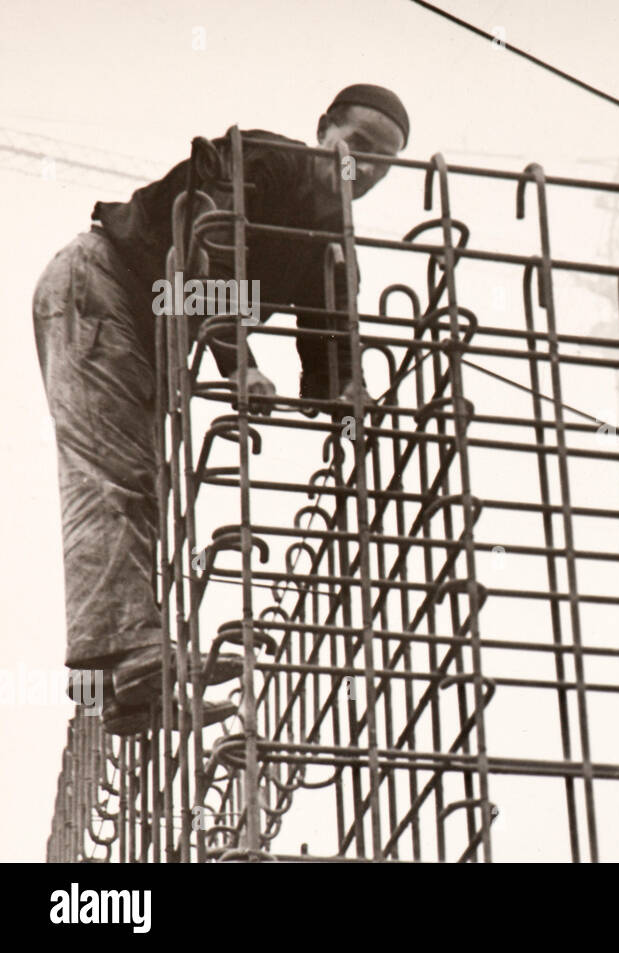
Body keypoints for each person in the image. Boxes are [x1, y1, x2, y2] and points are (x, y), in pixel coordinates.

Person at [33, 84, 408, 734]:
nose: (365, 169)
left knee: (137, 486)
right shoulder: (267, 162)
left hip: (145, 332)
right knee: (111, 477)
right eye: (360, 146)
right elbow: (202, 249)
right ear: (325, 131)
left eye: (384, 162)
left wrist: (350, 396)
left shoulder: (330, 247)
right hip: (103, 287)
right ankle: (132, 661)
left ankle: (124, 687)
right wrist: (241, 362)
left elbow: (332, 350)